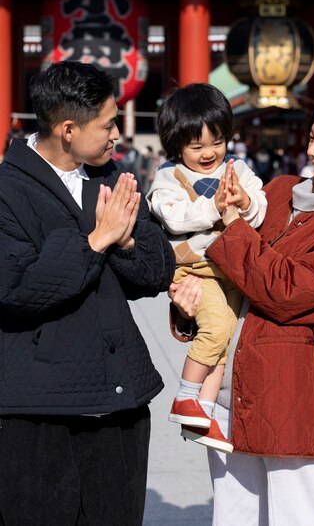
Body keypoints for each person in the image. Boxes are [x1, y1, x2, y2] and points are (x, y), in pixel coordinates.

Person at [169, 92, 314, 526]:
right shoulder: (277, 192)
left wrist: (233, 227)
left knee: (301, 514)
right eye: (311, 139)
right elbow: (226, 282)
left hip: (294, 393)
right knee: (234, 514)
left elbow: (286, 291)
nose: (310, 151)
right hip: (226, 394)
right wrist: (190, 310)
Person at [0, 60, 175, 526]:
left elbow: (158, 269)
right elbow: (18, 289)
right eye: (109, 123)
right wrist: (96, 240)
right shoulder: (6, 190)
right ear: (69, 129)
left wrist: (128, 239)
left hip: (119, 397)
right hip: (39, 408)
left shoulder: (112, 177)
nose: (118, 134)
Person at [147, 82, 267, 453]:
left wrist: (246, 201)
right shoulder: (170, 176)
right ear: (176, 145)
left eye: (216, 142)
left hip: (229, 269)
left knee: (224, 341)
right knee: (215, 329)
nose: (208, 153)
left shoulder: (239, 169)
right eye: (196, 147)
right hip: (196, 271)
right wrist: (214, 207)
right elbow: (172, 216)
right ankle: (186, 395)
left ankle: (204, 412)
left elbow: (259, 208)